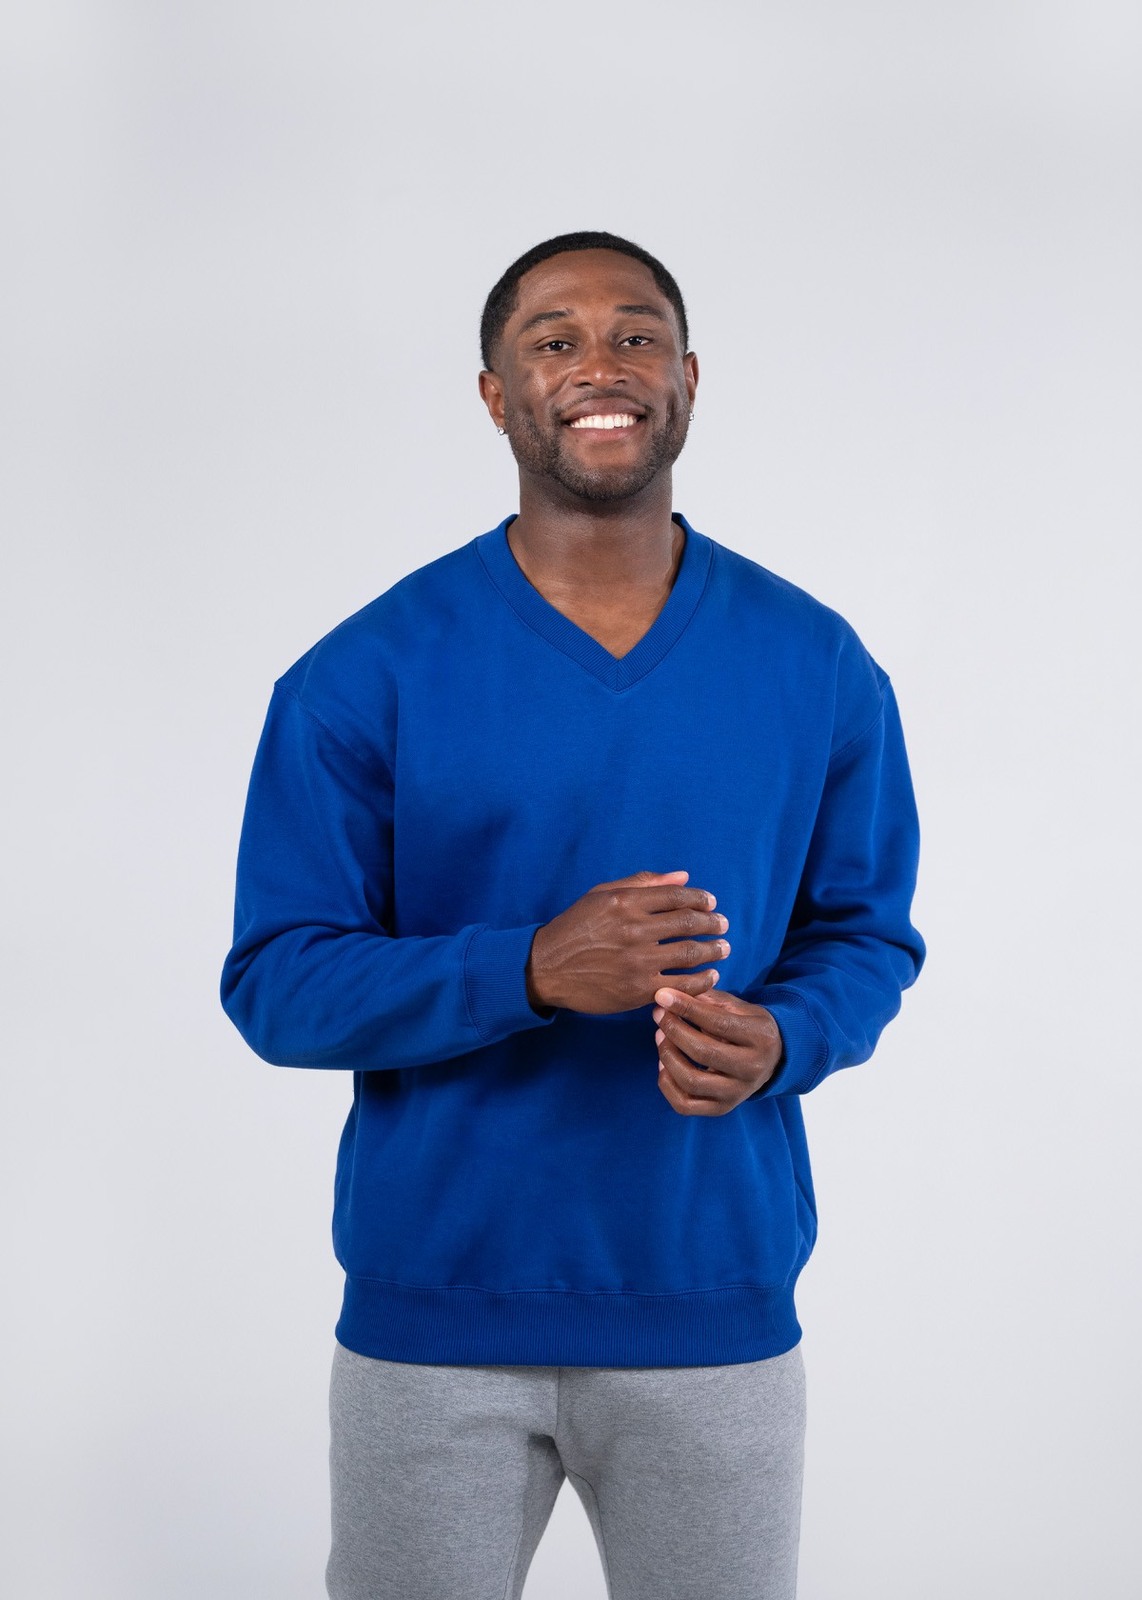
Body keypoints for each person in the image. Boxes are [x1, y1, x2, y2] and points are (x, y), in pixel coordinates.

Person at [220, 229, 925, 1600]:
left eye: (635, 335)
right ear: (497, 395)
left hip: (709, 1298)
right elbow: (278, 983)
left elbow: (867, 933)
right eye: (554, 341)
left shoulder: (814, 663)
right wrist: (530, 970)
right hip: (433, 1318)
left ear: (688, 379)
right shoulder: (364, 674)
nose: (600, 365)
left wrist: (785, 1040)